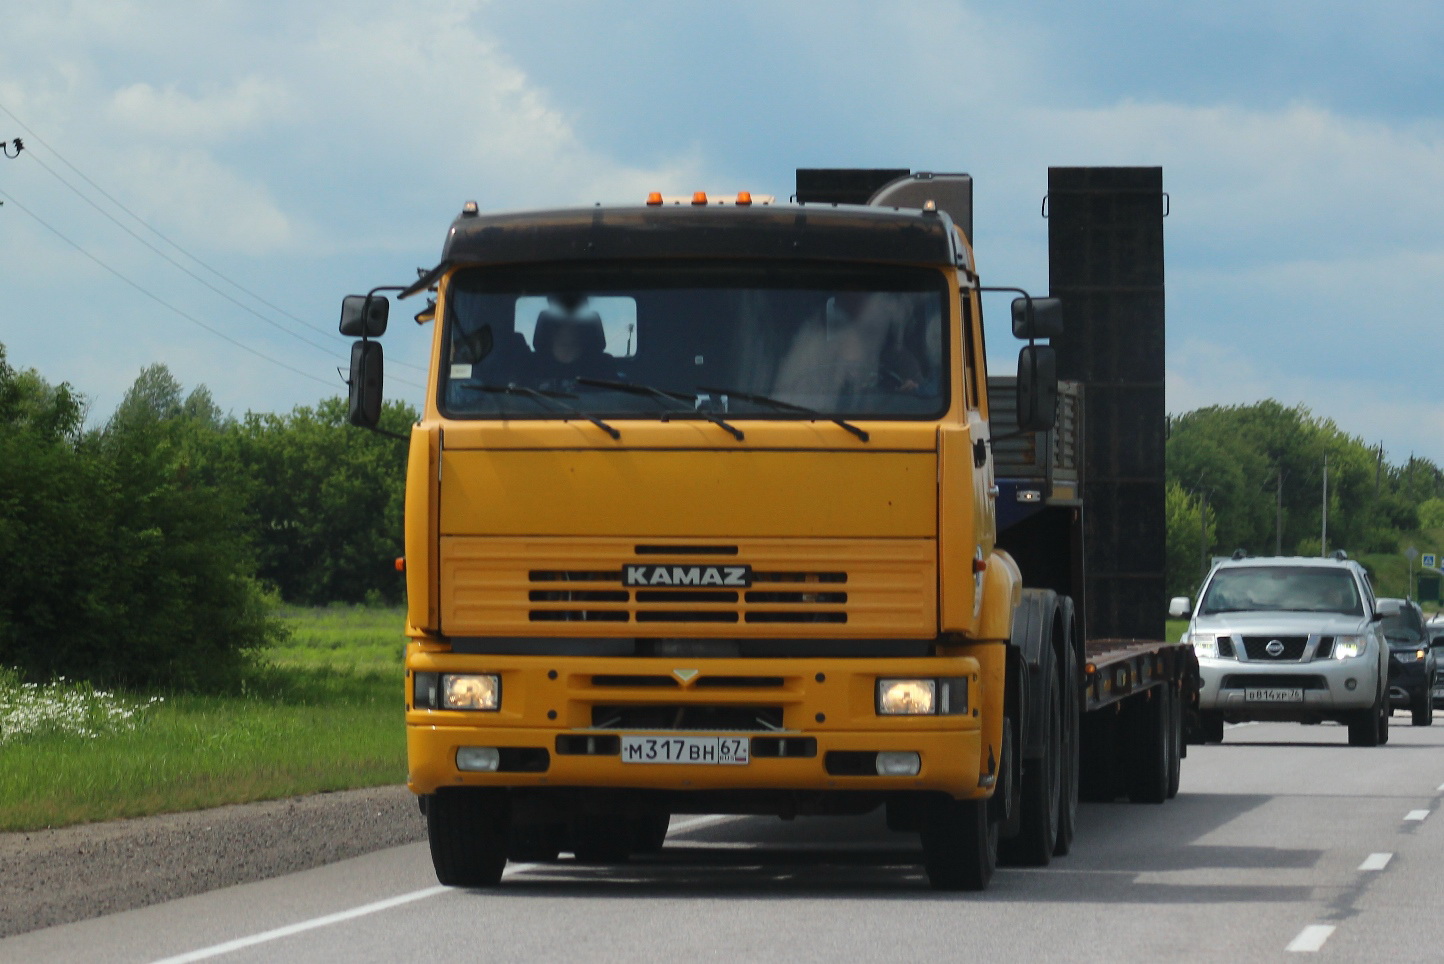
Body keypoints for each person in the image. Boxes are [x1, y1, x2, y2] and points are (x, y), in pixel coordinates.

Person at [530, 299, 620, 390]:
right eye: (561, 318)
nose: (568, 323)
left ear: (585, 327)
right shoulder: (531, 364)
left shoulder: (603, 365)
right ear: (549, 327)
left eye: (575, 319)